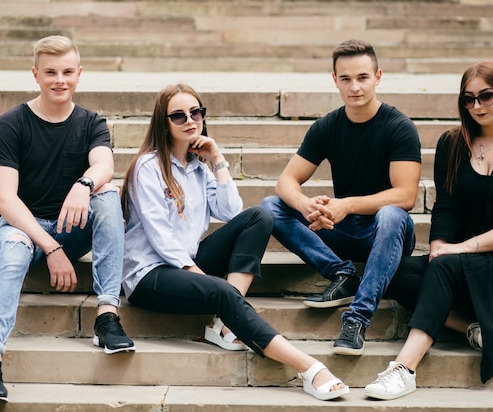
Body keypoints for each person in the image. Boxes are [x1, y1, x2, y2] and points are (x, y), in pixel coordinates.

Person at [120, 83, 349, 401]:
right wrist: (199, 277)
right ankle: (309, 368)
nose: (190, 120)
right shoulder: (148, 167)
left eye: (196, 112)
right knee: (221, 290)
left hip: (190, 259)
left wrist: (217, 160)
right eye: (178, 115)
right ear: (163, 122)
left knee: (259, 217)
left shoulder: (199, 166)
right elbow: (159, 235)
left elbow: (231, 212)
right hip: (149, 274)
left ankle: (224, 321)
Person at [364, 61, 493, 400]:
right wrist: (440, 245)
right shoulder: (452, 144)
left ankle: (404, 368)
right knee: (389, 271)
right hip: (463, 264)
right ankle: (472, 329)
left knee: (446, 264)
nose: (477, 106)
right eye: (468, 99)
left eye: (485, 96)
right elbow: (446, 207)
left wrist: (462, 248)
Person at [0, 35, 135, 403]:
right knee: (13, 253)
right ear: (36, 74)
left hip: (69, 226)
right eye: (50, 72)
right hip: (21, 228)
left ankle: (107, 315)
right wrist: (50, 247)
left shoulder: (91, 122)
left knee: (107, 194)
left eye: (66, 71)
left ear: (79, 74)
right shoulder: (12, 123)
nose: (59, 79)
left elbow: (105, 164)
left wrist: (84, 185)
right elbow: (5, 198)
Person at [261, 39, 421, 355]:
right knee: (271, 206)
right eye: (345, 79)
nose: (355, 87)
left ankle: (357, 319)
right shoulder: (327, 126)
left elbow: (406, 195)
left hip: (384, 232)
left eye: (362, 77)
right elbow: (286, 181)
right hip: (341, 231)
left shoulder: (398, 127)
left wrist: (346, 205)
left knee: (391, 214)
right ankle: (341, 274)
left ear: (378, 77)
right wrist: (305, 204)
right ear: (335, 80)